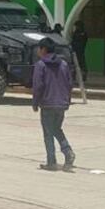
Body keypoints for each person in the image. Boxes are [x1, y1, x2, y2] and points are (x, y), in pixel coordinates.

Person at [31, 38, 75, 172]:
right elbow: (69, 84)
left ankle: (51, 161)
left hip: (48, 103)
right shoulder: (63, 64)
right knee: (56, 129)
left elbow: (38, 86)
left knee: (48, 133)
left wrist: (35, 102)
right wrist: (67, 100)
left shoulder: (41, 65)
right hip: (61, 103)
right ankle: (67, 151)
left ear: (43, 49)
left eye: (39, 49)